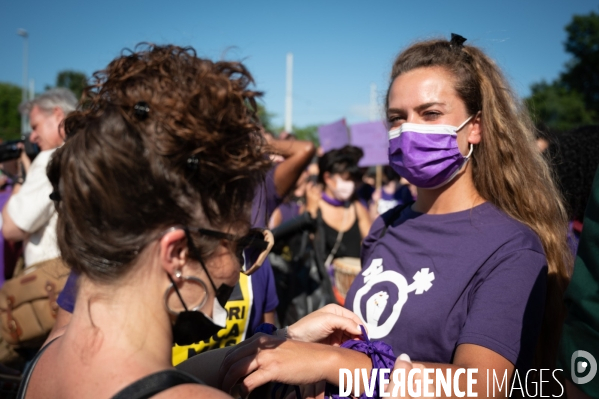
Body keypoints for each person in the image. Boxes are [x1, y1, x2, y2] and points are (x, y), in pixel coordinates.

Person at [220, 34, 572, 398]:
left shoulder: (512, 247)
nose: (409, 130)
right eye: (396, 118)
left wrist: (330, 364)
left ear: (476, 126)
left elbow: (484, 385)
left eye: (431, 113)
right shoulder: (386, 227)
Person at [19, 44, 361, 399]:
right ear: (177, 254)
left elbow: (159, 377)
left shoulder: (48, 357)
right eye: (242, 245)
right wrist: (361, 370)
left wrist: (279, 341)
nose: (243, 270)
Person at [1, 88, 77, 269]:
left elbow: (11, 229)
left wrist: (21, 178)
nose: (32, 137)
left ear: (58, 114)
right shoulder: (90, 152)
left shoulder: (51, 159)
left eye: (35, 126)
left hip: (52, 281)